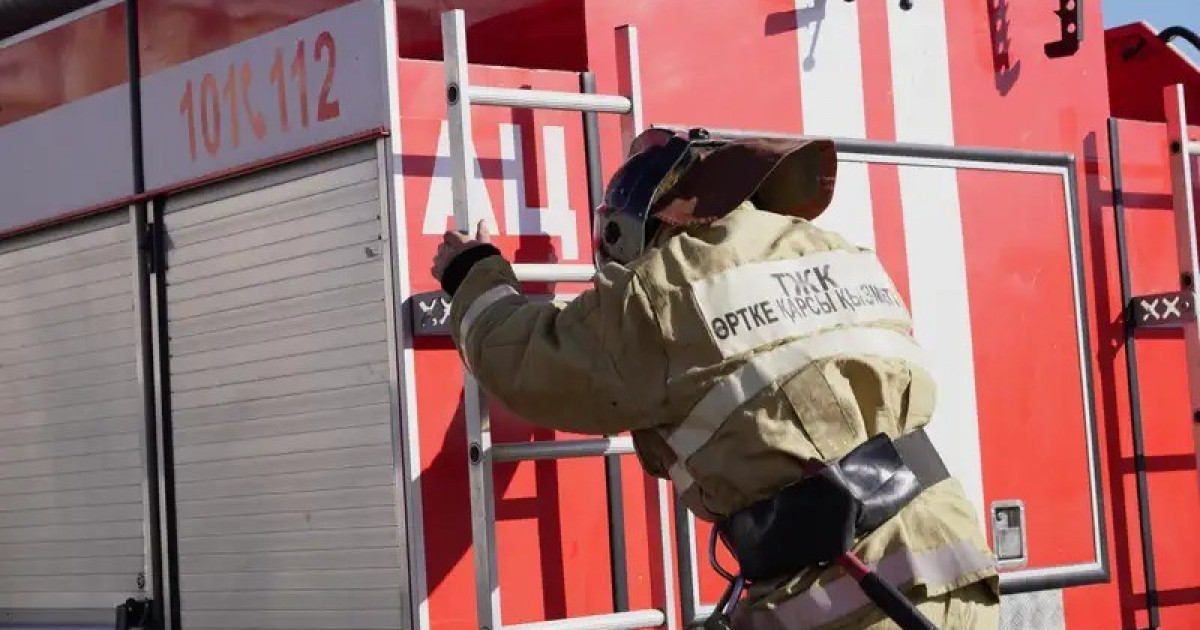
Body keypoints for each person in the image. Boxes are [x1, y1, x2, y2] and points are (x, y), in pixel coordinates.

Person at [430, 127, 1000, 630]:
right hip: (954, 561)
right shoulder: (829, 248)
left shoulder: (660, 290)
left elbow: (529, 360)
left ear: (631, 226)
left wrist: (471, 271)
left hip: (851, 598)